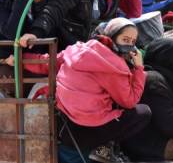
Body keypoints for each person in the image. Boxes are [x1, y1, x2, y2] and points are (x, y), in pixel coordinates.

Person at [6, 17, 151, 163]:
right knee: (144, 112)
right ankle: (101, 148)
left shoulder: (77, 49)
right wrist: (139, 68)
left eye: (133, 42)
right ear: (112, 37)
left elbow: (47, 62)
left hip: (65, 123)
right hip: (89, 130)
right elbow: (129, 101)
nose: (130, 46)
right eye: (125, 40)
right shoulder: (114, 66)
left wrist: (20, 59)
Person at [0, 0, 46, 96]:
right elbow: (12, 33)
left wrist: (40, 2)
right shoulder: (3, 2)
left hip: (27, 60)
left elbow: (40, 31)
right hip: (6, 63)